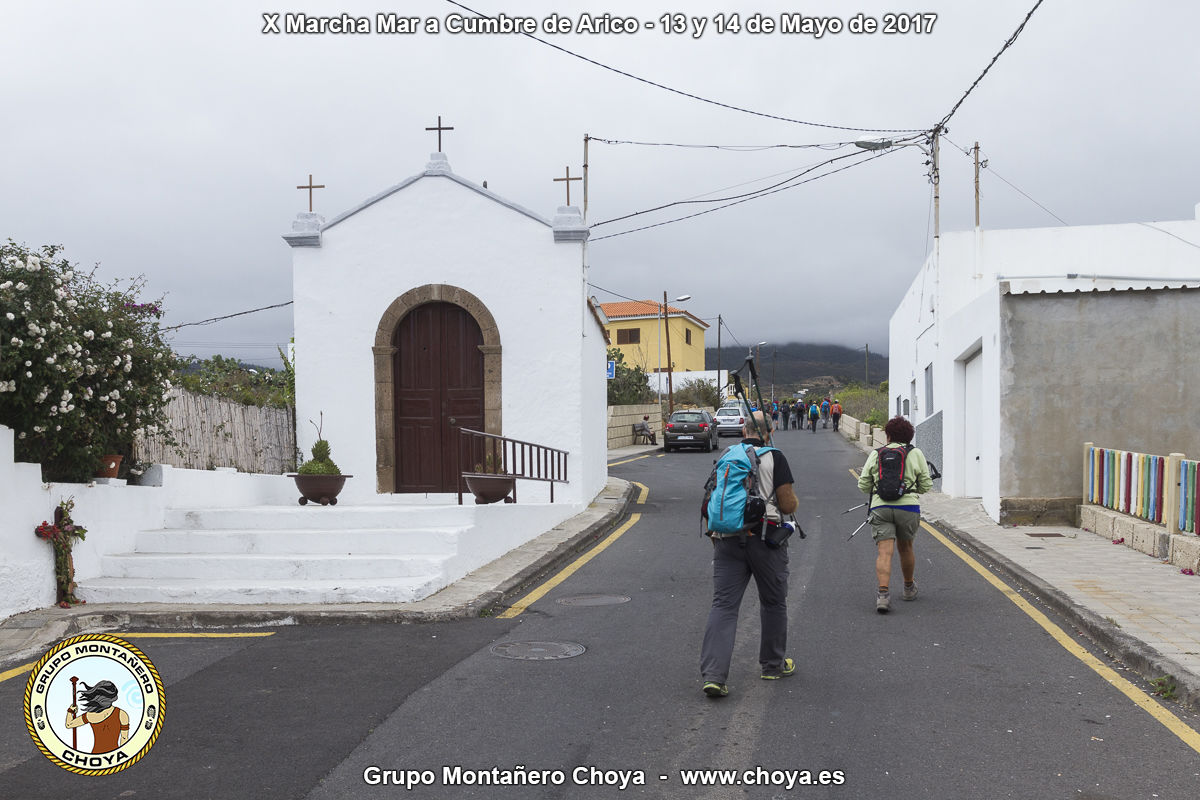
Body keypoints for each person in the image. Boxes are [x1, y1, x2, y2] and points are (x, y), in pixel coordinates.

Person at [700, 410, 799, 697]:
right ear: (771, 430)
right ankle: (772, 665)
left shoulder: (728, 456)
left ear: (744, 430)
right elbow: (788, 504)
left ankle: (714, 676)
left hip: (727, 539)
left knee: (723, 606)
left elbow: (711, 498)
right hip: (766, 540)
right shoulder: (775, 457)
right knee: (773, 602)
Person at [856, 416, 934, 613]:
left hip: (880, 507)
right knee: (906, 548)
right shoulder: (915, 454)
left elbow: (863, 484)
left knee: (884, 552)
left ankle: (883, 595)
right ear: (909, 436)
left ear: (888, 435)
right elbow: (926, 485)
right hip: (908, 507)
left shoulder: (877, 454)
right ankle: (908, 587)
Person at [65, 680, 130, 754]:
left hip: (95, 755)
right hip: (114, 756)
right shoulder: (122, 714)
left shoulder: (90, 715)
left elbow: (69, 724)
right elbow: (124, 739)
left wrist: (70, 711)